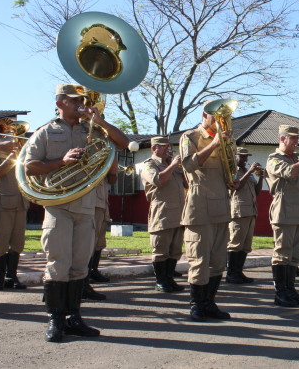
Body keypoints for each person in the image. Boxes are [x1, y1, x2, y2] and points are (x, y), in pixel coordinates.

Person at [24, 84, 130, 342]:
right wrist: (61, 162)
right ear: (60, 103)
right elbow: (29, 167)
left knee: (80, 265)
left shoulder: (93, 130)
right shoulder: (45, 132)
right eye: (74, 100)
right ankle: (56, 320)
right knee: (58, 264)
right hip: (58, 207)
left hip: (86, 205)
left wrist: (99, 120)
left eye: (81, 100)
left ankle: (74, 318)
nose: (80, 104)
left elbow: (123, 142)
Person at [180, 108, 238, 321]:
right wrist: (214, 143)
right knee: (199, 260)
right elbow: (188, 164)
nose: (222, 120)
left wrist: (231, 180)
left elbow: (229, 170)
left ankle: (209, 303)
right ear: (204, 115)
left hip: (221, 207)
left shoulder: (228, 139)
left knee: (217, 261)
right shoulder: (190, 136)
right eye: (217, 116)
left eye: (225, 116)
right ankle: (196, 305)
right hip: (200, 207)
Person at [266, 125, 299, 307]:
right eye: (293, 138)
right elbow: (291, 172)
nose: (297, 142)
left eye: (297, 138)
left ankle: (290, 290)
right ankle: (280, 293)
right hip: (284, 211)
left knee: (295, 255)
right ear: (282, 139)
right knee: (282, 253)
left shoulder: (296, 159)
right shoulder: (274, 159)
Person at [140, 136, 186, 293]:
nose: (168, 149)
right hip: (162, 212)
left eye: (168, 147)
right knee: (161, 250)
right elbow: (158, 180)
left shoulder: (172, 165)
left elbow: (187, 183)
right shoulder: (149, 164)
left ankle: (169, 279)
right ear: (154, 148)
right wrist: (173, 165)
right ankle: (160, 281)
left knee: (175, 250)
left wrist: (182, 168)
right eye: (163, 146)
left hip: (179, 213)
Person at [0, 142, 29, 291]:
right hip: (2, 203)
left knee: (18, 242)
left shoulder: (23, 153)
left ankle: (11, 276)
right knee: (1, 242)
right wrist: (13, 157)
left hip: (21, 203)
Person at [82, 152, 118, 302]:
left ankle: (92, 271)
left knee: (99, 242)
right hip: (92, 204)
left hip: (102, 204)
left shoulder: (105, 158)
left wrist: (113, 161)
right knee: (88, 243)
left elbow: (112, 180)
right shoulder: (90, 154)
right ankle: (83, 281)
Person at [226, 147, 263, 284]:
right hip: (239, 211)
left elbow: (257, 192)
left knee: (246, 245)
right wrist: (249, 171)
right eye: (242, 156)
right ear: (235, 157)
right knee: (235, 244)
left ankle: (238, 272)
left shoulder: (249, 172)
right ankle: (231, 274)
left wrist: (261, 177)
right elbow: (237, 186)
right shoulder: (232, 170)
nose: (245, 159)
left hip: (251, 211)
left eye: (246, 156)